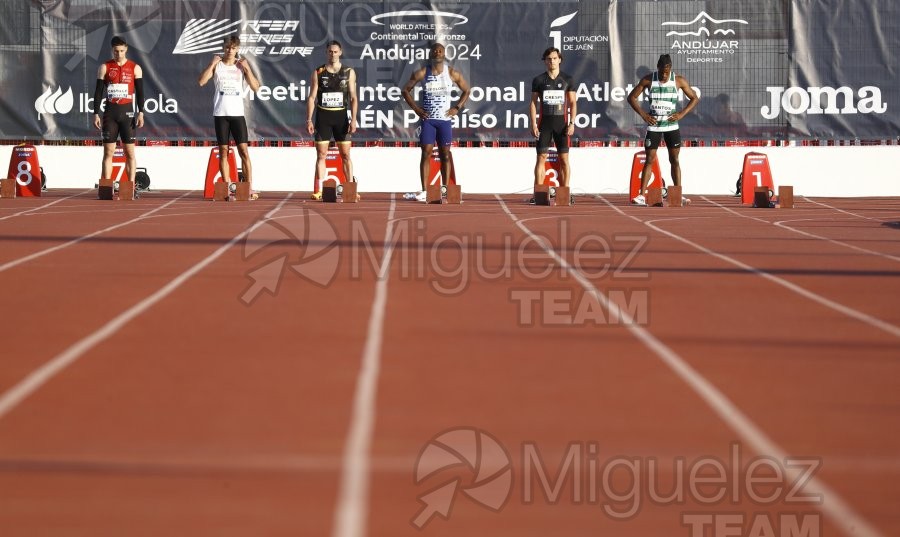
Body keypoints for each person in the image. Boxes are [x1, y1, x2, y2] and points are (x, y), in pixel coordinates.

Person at [401, 42, 470, 202]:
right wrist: (417, 110)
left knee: (445, 155)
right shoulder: (422, 73)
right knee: (426, 153)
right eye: (435, 51)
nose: (438, 53)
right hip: (429, 121)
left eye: (441, 51)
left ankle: (444, 189)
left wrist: (457, 108)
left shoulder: (452, 73)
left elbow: (467, 90)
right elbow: (405, 90)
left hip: (445, 121)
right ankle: (425, 190)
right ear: (431, 55)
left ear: (444, 55)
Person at [627, 54, 699, 205]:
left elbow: (694, 98)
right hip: (654, 126)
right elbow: (631, 97)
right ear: (658, 68)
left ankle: (678, 193)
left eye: (666, 72)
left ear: (670, 69)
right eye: (661, 72)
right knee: (649, 160)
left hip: (671, 127)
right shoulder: (648, 79)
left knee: (674, 160)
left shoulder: (678, 80)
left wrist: (681, 114)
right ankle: (641, 195)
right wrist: (644, 115)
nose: (664, 75)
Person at [198, 34, 261, 197]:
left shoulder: (241, 66)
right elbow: (201, 81)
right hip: (220, 114)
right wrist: (211, 64)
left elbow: (256, 87)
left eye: (233, 48)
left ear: (237, 49)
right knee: (223, 151)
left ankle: (248, 187)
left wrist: (248, 69)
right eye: (227, 48)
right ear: (223, 48)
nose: (230, 51)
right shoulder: (217, 65)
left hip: (237, 114)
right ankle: (226, 187)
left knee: (244, 152)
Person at [307, 40, 359, 200]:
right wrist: (308, 119)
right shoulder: (318, 72)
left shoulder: (348, 72)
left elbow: (353, 98)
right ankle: (319, 189)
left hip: (341, 117)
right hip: (323, 117)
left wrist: (353, 120)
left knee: (345, 155)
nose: (333, 54)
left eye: (335, 52)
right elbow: (312, 97)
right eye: (330, 51)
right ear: (326, 52)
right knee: (321, 154)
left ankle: (350, 188)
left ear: (340, 52)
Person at [93, 36, 144, 186]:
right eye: (116, 51)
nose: (119, 54)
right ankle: (107, 186)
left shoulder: (135, 68)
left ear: (126, 49)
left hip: (128, 114)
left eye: (121, 51)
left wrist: (141, 112)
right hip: (110, 114)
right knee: (108, 152)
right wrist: (95, 113)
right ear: (112, 50)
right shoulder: (104, 67)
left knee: (130, 153)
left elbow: (140, 92)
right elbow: (98, 92)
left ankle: (131, 186)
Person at [529, 47, 577, 204]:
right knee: (541, 158)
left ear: (560, 60)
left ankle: (565, 193)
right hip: (545, 124)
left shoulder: (567, 79)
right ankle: (539, 193)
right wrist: (533, 124)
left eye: (555, 58)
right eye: (549, 59)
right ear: (545, 61)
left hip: (561, 124)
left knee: (564, 159)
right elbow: (533, 103)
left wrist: (571, 123)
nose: (552, 61)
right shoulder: (538, 80)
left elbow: (572, 103)